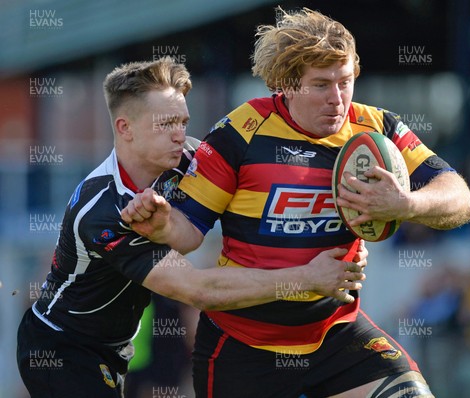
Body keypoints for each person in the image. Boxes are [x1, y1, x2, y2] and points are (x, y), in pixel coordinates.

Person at [122, 8, 470, 397]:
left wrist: (406, 204)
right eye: (321, 85)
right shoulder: (239, 133)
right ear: (287, 84)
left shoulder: (377, 129)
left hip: (336, 334)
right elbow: (188, 231)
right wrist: (161, 224)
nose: (337, 99)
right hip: (243, 346)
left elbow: (461, 199)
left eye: (345, 82)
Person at [16, 57, 367, 398]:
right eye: (165, 124)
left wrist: (345, 228)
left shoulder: (191, 160)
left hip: (118, 347)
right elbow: (197, 290)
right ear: (125, 128)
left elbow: (270, 189)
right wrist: (310, 277)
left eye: (183, 122)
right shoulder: (105, 210)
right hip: (61, 346)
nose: (179, 135)